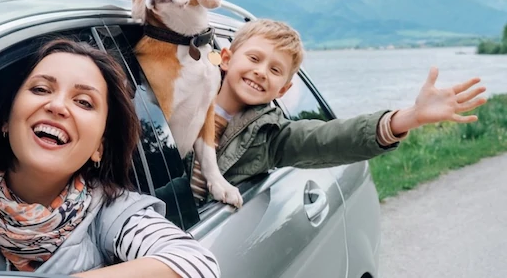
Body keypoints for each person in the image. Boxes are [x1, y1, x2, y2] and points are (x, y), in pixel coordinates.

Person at [0, 38, 220, 278]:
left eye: (84, 102)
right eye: (41, 89)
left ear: (99, 146)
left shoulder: (111, 213)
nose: (58, 106)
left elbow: (197, 264)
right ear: (6, 120)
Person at [190, 19, 487, 207]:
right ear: (226, 58)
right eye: (254, 58)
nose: (260, 71)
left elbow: (330, 138)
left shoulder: (271, 135)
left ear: (283, 90)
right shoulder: (182, 96)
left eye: (275, 69)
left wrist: (410, 117)